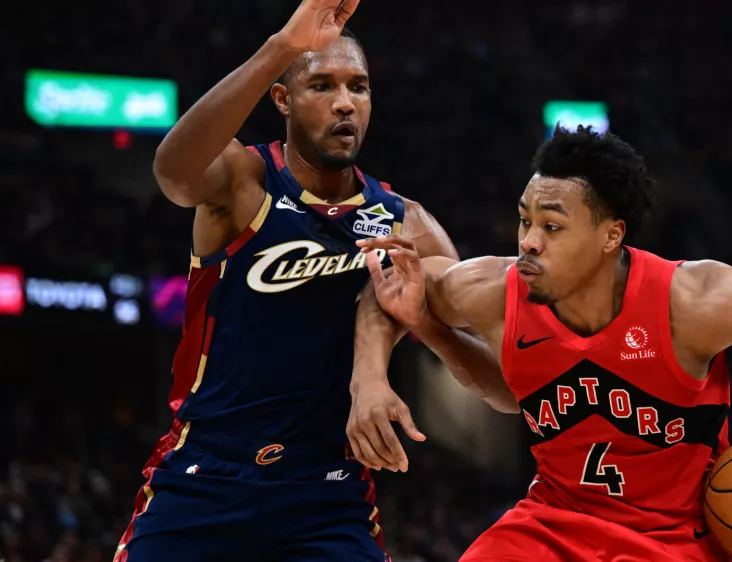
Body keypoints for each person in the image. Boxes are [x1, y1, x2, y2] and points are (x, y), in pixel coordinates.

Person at [350, 126, 732, 562]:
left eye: (552, 227)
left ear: (611, 236)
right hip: (553, 521)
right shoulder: (493, 292)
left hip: (676, 536)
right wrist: (372, 376)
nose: (528, 240)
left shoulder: (694, 302)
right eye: (526, 220)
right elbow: (390, 279)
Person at [115, 1, 511, 561]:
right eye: (322, 85)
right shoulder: (244, 182)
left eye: (359, 87)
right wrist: (283, 46)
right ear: (283, 99)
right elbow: (173, 171)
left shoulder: (407, 223)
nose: (345, 102)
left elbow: (501, 387)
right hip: (204, 474)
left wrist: (421, 327)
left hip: (326, 490)